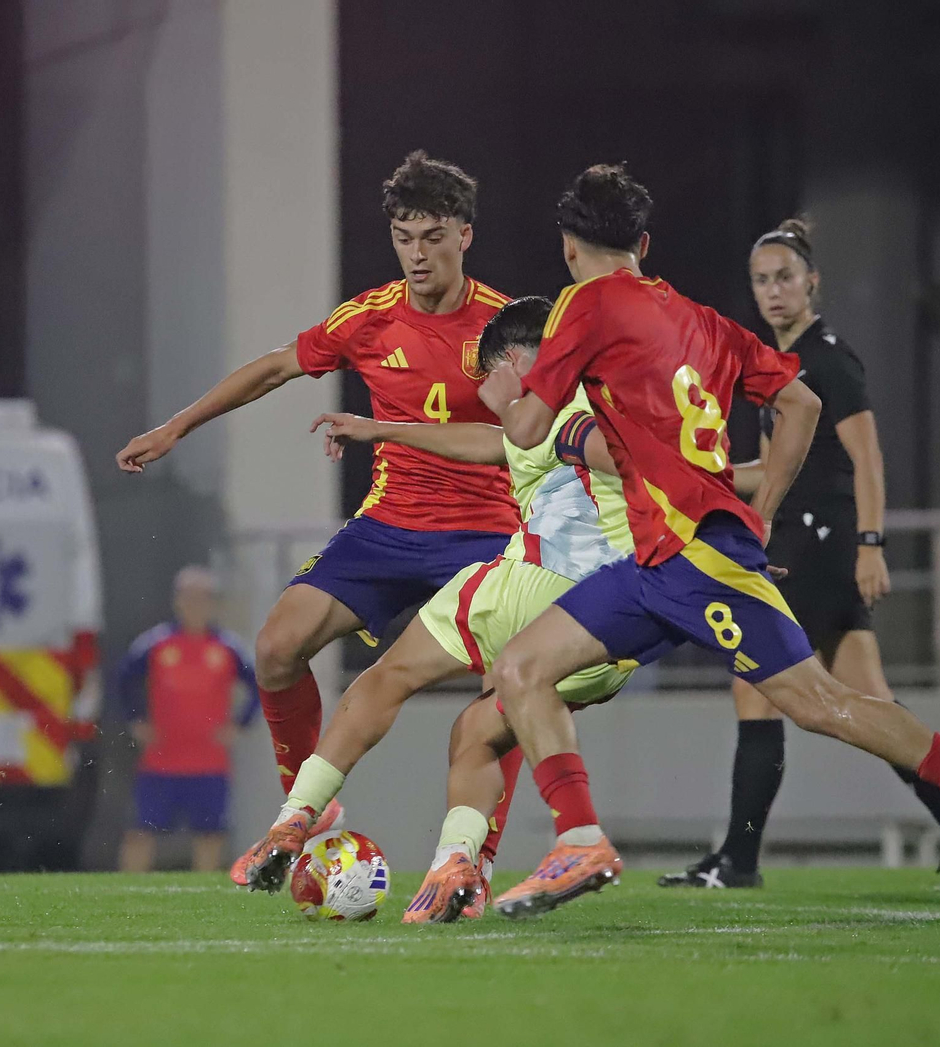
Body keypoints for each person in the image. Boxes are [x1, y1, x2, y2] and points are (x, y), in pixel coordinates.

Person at [478, 164, 940, 917]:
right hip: (661, 562)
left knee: (827, 705)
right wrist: (764, 509)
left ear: (568, 249)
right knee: (522, 665)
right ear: (643, 243)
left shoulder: (582, 304)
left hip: (697, 558)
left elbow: (526, 428)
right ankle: (580, 837)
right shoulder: (708, 322)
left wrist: (505, 398)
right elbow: (801, 402)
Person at [116, 151, 522, 883]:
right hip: (390, 525)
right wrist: (178, 427)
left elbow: (533, 439)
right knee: (276, 645)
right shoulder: (368, 319)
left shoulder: (503, 327)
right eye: (404, 236)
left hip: (487, 531)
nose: (417, 253)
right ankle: (308, 803)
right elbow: (274, 367)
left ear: (465, 234)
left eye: (432, 236)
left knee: (510, 685)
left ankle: (473, 859)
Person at [237, 296, 646, 922]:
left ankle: (296, 816)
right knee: (477, 732)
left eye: (484, 382)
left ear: (512, 361)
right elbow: (490, 442)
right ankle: (457, 865)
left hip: (538, 588)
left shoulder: (557, 410)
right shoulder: (609, 395)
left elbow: (602, 450)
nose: (484, 396)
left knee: (386, 678)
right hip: (617, 631)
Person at [659, 218, 940, 892]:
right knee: (873, 705)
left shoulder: (828, 358)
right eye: (762, 280)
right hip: (816, 536)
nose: (773, 290)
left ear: (812, 281)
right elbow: (783, 465)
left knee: (755, 685)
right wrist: (705, 476)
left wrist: (873, 544)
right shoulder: (782, 362)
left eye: (785, 277)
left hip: (820, 540)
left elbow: (866, 456)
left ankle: (739, 858)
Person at [117, 567, 258, 873]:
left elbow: (260, 686)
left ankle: (202, 897)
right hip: (161, 758)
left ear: (214, 604)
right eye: (189, 597)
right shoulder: (156, 643)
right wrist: (137, 719)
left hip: (209, 761)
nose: (195, 604)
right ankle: (126, 892)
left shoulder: (228, 647)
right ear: (177, 601)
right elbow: (123, 679)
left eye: (203, 598)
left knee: (209, 835)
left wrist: (240, 724)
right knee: (140, 831)